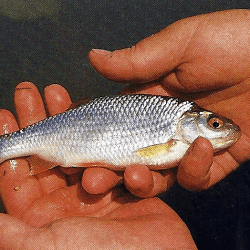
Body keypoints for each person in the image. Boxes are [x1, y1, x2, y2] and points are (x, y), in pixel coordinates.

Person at [0, 8, 249, 249]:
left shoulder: (182, 136)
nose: (220, 128)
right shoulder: (176, 136)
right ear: (188, 120)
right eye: (214, 124)